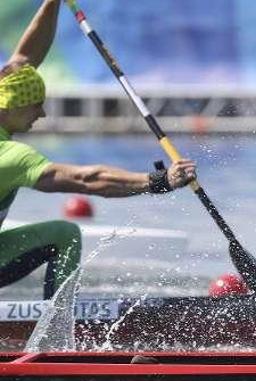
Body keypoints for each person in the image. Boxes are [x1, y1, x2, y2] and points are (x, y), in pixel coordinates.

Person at [0, 0, 197, 298]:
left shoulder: (6, 92)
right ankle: (56, 331)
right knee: (65, 235)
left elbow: (23, 61)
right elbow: (86, 180)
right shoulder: (12, 157)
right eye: (35, 105)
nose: (41, 114)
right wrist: (159, 181)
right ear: (10, 107)